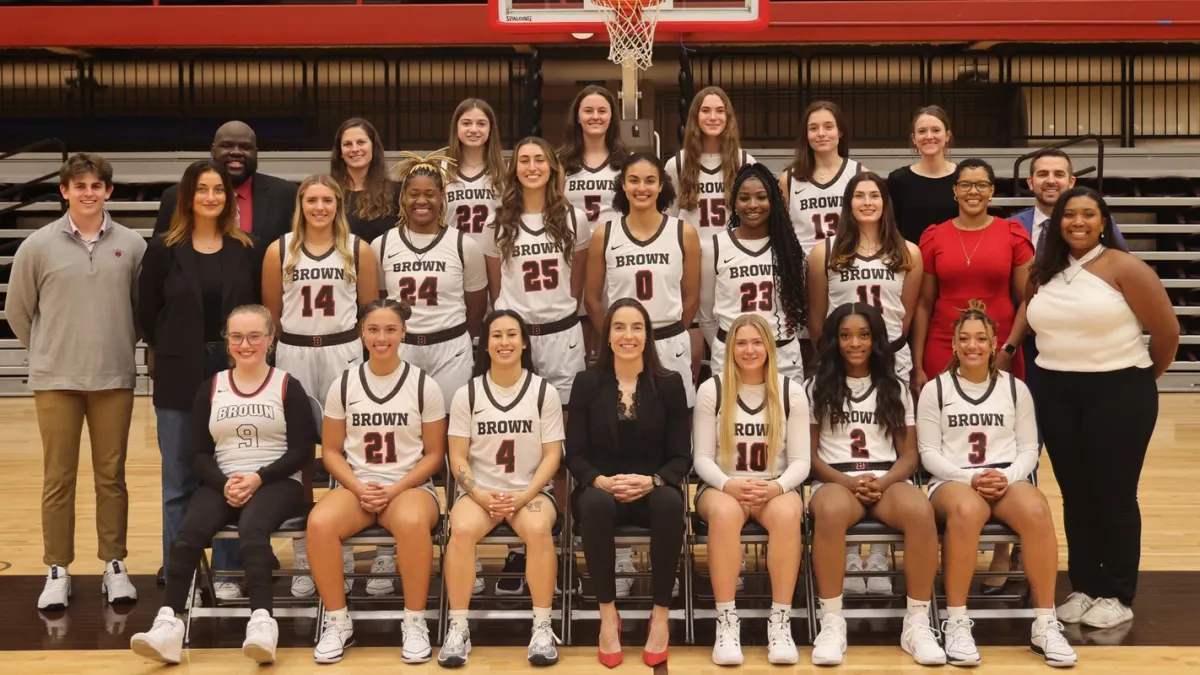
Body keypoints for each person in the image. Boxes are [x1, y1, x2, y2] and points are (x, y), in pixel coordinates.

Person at [128, 304, 316, 665]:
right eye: (236, 337)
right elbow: (198, 454)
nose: (245, 344)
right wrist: (225, 481)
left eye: (254, 336)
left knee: (252, 529)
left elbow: (301, 451)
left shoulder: (287, 386)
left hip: (277, 481)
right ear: (226, 341)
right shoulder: (210, 388)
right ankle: (169, 624)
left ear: (270, 340)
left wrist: (259, 477)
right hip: (224, 480)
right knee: (188, 535)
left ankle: (262, 622)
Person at [1025, 187, 1178, 629]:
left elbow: (1167, 333)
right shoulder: (1046, 269)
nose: (1077, 222)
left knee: (1114, 495)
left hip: (1118, 391)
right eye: (1069, 215)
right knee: (1076, 494)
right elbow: (1029, 315)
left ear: (1103, 221)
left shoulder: (1126, 267)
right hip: (1055, 390)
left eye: (1088, 215)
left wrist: (1139, 379)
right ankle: (1085, 586)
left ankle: (1118, 592)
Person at [5, 153, 146, 610]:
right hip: (56, 380)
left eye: (96, 185)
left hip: (113, 378)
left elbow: (140, 311)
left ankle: (114, 564)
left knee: (112, 477)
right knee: (58, 478)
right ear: (63, 190)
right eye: (79, 185)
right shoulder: (37, 245)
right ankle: (57, 568)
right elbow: (18, 312)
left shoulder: (132, 244)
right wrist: (49, 350)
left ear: (109, 190)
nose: (88, 192)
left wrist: (116, 343)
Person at [917, 305, 1076, 668]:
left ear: (994, 345)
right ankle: (956, 621)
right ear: (954, 345)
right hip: (952, 479)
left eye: (981, 339)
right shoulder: (935, 390)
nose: (972, 345)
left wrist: (1008, 475)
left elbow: (1028, 450)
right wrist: (970, 478)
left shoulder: (1016, 389)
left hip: (1007, 476)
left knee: (1037, 508)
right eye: (964, 338)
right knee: (967, 509)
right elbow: (927, 453)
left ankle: (1045, 623)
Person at [138, 158, 261, 597]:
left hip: (233, 373)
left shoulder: (244, 247)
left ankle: (227, 572)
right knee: (179, 480)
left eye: (219, 190)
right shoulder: (161, 249)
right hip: (178, 373)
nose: (211, 197)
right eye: (202, 189)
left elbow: (255, 312)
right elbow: (147, 315)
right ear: (187, 197)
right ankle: (182, 574)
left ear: (228, 198)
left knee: (229, 472)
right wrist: (176, 347)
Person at [306, 299, 447, 664]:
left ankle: (415, 622)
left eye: (389, 329)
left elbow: (434, 455)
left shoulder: (423, 385)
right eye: (373, 329)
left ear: (403, 333)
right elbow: (333, 451)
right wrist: (357, 486)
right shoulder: (344, 383)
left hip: (410, 486)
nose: (381, 337)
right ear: (361, 333)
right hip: (357, 485)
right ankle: (338, 622)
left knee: (414, 523)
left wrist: (395, 489)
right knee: (319, 523)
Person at [261, 174, 381, 598]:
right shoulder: (279, 249)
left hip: (342, 352)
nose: (319, 207)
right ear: (301, 204)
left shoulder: (357, 249)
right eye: (311, 200)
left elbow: (369, 312)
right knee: (298, 453)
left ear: (338, 204)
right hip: (294, 351)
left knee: (343, 448)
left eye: (327, 200)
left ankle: (340, 544)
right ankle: (303, 552)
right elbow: (271, 316)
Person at [805, 303, 943, 667]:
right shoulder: (815, 386)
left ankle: (916, 622)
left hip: (886, 477)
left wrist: (881, 481)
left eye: (863, 335)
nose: (855, 343)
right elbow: (810, 457)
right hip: (835, 477)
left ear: (876, 340)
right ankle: (833, 622)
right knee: (831, 512)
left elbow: (909, 455)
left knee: (920, 510)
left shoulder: (895, 386)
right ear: (834, 340)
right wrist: (848, 483)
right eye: (846, 335)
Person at [484, 136, 589, 595]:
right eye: (522, 160)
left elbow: (580, 283)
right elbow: (493, 290)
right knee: (520, 446)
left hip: (563, 334)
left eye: (538, 160)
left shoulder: (572, 217)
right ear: (513, 169)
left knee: (559, 451)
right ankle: (519, 549)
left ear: (552, 167)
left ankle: (560, 547)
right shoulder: (498, 221)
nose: (531, 167)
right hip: (517, 340)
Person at [566, 298, 691, 668]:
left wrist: (652, 481)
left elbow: (681, 457)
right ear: (607, 336)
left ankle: (661, 616)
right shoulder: (586, 383)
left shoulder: (670, 384)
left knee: (671, 503)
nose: (628, 335)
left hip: (651, 488)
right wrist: (599, 481)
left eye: (637, 327)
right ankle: (608, 617)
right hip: (601, 487)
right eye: (619, 327)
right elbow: (574, 453)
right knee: (595, 505)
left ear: (648, 336)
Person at [439, 310, 564, 668]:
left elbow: (553, 456)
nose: (505, 342)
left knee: (539, 529)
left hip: (532, 493)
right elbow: (457, 457)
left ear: (524, 342)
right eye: (497, 335)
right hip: (480, 493)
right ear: (486, 344)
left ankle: (542, 626)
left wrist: (525, 496)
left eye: (512, 335)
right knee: (460, 530)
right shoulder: (468, 393)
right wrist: (479, 494)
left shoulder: (544, 392)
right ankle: (458, 627)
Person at [692, 313, 809, 666]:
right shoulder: (712, 389)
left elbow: (801, 461)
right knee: (726, 514)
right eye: (741, 343)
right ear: (729, 349)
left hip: (774, 485)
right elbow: (701, 458)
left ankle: (781, 620)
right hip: (722, 485)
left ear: (770, 347)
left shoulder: (792, 391)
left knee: (790, 513)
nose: (749, 350)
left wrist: (776, 488)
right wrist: (730, 484)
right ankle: (726, 621)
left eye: (757, 342)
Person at [373, 150, 489, 414]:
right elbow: (380, 303)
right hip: (402, 347)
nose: (421, 201)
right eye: (413, 194)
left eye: (429, 194)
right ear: (402, 198)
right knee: (404, 423)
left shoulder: (464, 245)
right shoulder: (382, 245)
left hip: (451, 349)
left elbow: (477, 307)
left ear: (442, 197)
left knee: (450, 424)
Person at [1010, 148, 1129, 396]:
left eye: (1059, 174)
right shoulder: (1011, 226)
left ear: (1071, 181)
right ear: (1030, 182)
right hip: (1024, 338)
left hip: (1079, 338)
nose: (1051, 180)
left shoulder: (1097, 227)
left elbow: (1120, 271)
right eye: (1042, 174)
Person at [586, 152, 701, 406]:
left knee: (676, 425)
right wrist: (614, 337)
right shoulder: (605, 234)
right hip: (624, 344)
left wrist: (673, 333)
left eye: (650, 180)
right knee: (626, 420)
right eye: (634, 180)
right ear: (623, 185)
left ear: (661, 185)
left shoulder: (684, 232)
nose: (642, 188)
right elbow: (592, 300)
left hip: (670, 340)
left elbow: (692, 298)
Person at [911, 158, 1033, 391]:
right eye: (965, 185)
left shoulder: (1012, 234)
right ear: (955, 190)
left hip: (999, 345)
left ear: (991, 191)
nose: (973, 192)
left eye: (981, 185)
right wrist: (917, 364)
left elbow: (1028, 299)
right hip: (944, 344)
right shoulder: (934, 236)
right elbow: (924, 304)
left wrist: (1010, 348)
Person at [664, 85, 755, 377]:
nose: (713, 117)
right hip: (693, 258)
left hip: (733, 257)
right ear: (695, 117)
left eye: (720, 111)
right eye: (706, 110)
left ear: (729, 117)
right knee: (698, 324)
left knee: (733, 324)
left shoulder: (745, 162)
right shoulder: (676, 163)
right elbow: (670, 221)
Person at [807, 171, 922, 380]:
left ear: (885, 202)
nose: (867, 202)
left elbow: (904, 318)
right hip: (842, 358)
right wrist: (834, 354)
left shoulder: (909, 252)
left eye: (874, 196)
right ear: (848, 203)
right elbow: (816, 320)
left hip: (892, 356)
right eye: (859, 196)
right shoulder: (823, 252)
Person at [698, 162, 808, 380]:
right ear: (734, 202)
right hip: (732, 356)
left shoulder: (789, 248)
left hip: (782, 355)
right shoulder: (715, 247)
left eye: (761, 197)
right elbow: (706, 315)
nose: (753, 204)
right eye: (744, 198)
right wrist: (724, 348)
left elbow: (800, 309)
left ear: (773, 201)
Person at [559, 85, 628, 356]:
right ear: (577, 117)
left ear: (612, 117)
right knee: (579, 321)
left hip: (614, 254)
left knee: (612, 318)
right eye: (588, 110)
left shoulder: (626, 161)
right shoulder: (560, 162)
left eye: (602, 110)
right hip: (573, 254)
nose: (595, 116)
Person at [153, 120, 298, 248]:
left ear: (256, 152)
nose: (236, 152)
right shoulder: (177, 196)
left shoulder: (286, 195)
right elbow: (160, 253)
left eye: (245, 147)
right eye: (227, 146)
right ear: (213, 150)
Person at [781, 100, 865, 252]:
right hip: (804, 266)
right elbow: (782, 229)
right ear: (806, 135)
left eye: (828, 127)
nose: (821, 133)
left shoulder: (859, 173)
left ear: (840, 131)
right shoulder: (788, 179)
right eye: (813, 128)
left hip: (847, 264)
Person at [887, 105, 958, 244]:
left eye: (936, 130)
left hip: (955, 261)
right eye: (922, 131)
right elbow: (891, 227)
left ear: (947, 136)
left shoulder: (963, 177)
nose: (929, 136)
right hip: (912, 261)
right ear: (914, 138)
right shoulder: (898, 180)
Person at [444, 99, 505, 248]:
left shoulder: (504, 171)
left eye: (481, 124)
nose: (473, 129)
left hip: (493, 257)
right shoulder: (441, 170)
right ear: (456, 127)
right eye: (466, 123)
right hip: (452, 257)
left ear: (491, 128)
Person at [331, 117, 398, 242]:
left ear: (374, 147)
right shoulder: (328, 192)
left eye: (361, 142)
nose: (355, 149)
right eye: (347, 144)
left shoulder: (398, 192)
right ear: (340, 152)